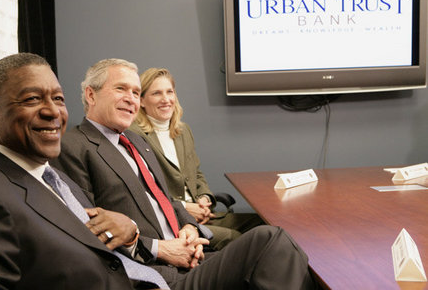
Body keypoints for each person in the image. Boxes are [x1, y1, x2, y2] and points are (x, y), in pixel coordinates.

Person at [52, 58, 316, 289]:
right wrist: (161, 249)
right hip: (155, 274)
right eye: (121, 89)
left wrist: (189, 227)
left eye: (135, 91)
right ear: (90, 95)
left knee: (286, 254)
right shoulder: (74, 147)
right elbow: (87, 231)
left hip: (187, 258)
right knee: (270, 238)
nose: (131, 98)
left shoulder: (136, 141)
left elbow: (164, 199)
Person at [0, 53, 171, 290]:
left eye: (58, 99)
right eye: (32, 99)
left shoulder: (50, 175)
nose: (53, 112)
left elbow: (98, 250)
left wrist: (130, 229)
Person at [130, 67, 263, 250]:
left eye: (170, 92)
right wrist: (184, 207)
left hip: (201, 213)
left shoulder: (182, 131)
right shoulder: (134, 135)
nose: (166, 99)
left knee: (261, 224)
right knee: (236, 238)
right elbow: (143, 189)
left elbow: (196, 173)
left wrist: (204, 199)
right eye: (156, 93)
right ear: (142, 100)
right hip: (174, 221)